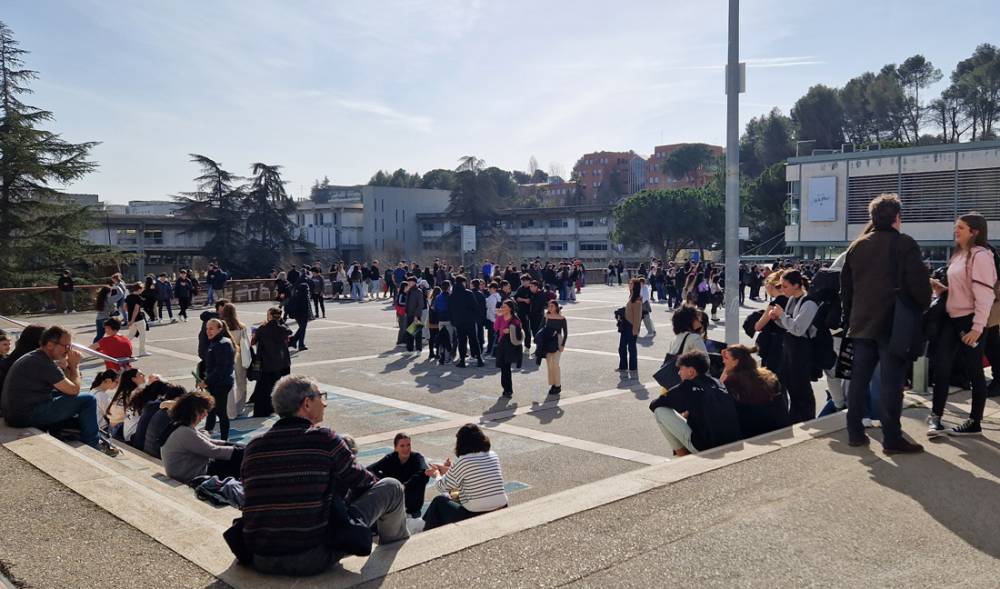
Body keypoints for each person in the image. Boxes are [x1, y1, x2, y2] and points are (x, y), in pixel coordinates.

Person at [239, 375, 408, 576]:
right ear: (307, 404)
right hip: (309, 556)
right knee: (392, 487)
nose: (325, 403)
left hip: (261, 556)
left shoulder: (254, 445)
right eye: (321, 396)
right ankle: (395, 557)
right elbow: (361, 481)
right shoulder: (324, 438)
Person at [841, 193, 931, 453]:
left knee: (859, 380)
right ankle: (892, 438)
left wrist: (851, 317)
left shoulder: (857, 246)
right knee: (892, 383)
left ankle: (855, 431)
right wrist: (919, 308)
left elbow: (846, 289)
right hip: (893, 323)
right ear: (897, 218)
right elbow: (920, 286)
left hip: (861, 322)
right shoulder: (904, 243)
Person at [927, 212, 998, 437]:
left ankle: (974, 422)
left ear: (974, 232)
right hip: (951, 318)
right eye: (956, 227)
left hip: (970, 321)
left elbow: (985, 294)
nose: (955, 230)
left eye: (961, 227)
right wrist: (943, 290)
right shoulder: (959, 255)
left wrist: (978, 328)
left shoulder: (981, 256)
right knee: (942, 369)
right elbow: (963, 290)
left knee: (974, 371)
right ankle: (936, 417)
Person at [0, 325, 106, 452]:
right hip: (25, 416)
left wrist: (67, 367)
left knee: (65, 395)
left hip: (15, 414)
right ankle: (93, 444)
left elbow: (67, 389)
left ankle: (68, 431)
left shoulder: (35, 356)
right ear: (50, 345)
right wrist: (74, 366)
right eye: (66, 346)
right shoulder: (43, 363)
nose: (68, 350)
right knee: (88, 400)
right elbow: (74, 390)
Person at [649, 350, 741, 456]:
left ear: (691, 371)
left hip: (707, 448)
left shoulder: (687, 386)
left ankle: (682, 457)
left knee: (660, 411)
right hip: (733, 443)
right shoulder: (717, 382)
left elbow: (654, 404)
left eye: (681, 369)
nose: (679, 373)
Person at [422, 423, 508, 530]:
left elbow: (441, 486)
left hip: (476, 513)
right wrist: (448, 471)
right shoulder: (493, 455)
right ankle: (425, 524)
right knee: (454, 493)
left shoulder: (463, 461)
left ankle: (426, 531)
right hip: (502, 506)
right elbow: (473, 474)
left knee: (439, 501)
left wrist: (437, 474)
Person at [767, 270, 819, 424]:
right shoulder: (792, 300)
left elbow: (798, 329)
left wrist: (782, 315)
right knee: (791, 384)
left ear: (797, 285)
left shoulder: (808, 302)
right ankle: (796, 416)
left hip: (802, 348)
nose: (782, 290)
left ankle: (806, 417)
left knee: (801, 385)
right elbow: (788, 325)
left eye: (785, 286)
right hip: (791, 346)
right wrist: (776, 318)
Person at [161, 391, 243, 483]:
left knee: (235, 456)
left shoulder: (179, 425)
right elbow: (212, 450)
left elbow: (208, 441)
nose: (206, 414)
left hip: (188, 471)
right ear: (195, 411)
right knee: (238, 461)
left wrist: (235, 445)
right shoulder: (183, 431)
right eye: (204, 411)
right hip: (190, 476)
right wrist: (240, 451)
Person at [721, 345, 789, 438]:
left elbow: (720, 399)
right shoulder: (767, 375)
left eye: (726, 358)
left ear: (736, 362)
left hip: (752, 429)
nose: (723, 361)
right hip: (777, 424)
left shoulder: (732, 381)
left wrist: (725, 372)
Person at [367, 433, 430, 518]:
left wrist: (403, 486)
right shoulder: (391, 458)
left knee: (420, 478)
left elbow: (424, 473)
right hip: (393, 506)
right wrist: (381, 481)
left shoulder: (417, 458)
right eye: (402, 446)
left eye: (408, 445)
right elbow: (370, 469)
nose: (406, 448)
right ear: (396, 448)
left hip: (411, 508)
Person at [250, 308, 292, 418]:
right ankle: (280, 408)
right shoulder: (283, 328)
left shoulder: (263, 328)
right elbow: (289, 333)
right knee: (280, 388)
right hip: (282, 362)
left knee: (264, 389)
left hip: (266, 363)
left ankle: (263, 411)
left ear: (270, 316)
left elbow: (253, 341)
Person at [0, 325, 45, 418]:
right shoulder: (30, 360)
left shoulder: (13, 358)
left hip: (9, 406)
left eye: (9, 344)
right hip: (17, 411)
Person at [201, 318, 235, 441]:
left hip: (221, 384)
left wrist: (206, 381)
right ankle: (207, 433)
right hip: (215, 382)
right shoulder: (215, 342)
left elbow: (221, 368)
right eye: (207, 328)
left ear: (220, 329)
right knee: (211, 410)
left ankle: (224, 439)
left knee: (220, 412)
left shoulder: (223, 343)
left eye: (211, 328)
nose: (208, 331)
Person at [141, 382, 187, 459]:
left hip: (149, 450)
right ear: (178, 399)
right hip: (158, 456)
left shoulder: (161, 409)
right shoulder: (172, 413)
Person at [221, 303, 252, 418]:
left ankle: (230, 410)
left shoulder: (223, 325)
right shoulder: (241, 326)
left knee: (228, 385)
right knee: (241, 382)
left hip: (226, 357)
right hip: (240, 357)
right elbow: (246, 343)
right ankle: (240, 407)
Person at [450, 276, 483, 368]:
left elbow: (451, 309)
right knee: (474, 340)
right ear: (463, 283)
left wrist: (453, 320)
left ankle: (462, 361)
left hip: (458, 322)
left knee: (462, 341)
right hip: (469, 321)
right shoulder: (468, 293)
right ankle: (479, 359)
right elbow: (475, 306)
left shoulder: (453, 295)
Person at [494, 300, 523, 397]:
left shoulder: (515, 319)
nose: (502, 308)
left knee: (506, 367)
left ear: (510, 308)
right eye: (502, 306)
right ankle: (506, 388)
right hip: (502, 344)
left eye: (505, 307)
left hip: (510, 346)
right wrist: (498, 316)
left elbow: (519, 332)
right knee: (503, 367)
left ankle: (508, 389)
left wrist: (510, 330)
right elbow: (495, 328)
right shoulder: (501, 317)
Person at [538, 300, 568, 396]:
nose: (549, 308)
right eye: (548, 306)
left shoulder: (562, 318)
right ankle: (553, 384)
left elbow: (566, 333)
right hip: (548, 340)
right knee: (549, 364)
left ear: (556, 307)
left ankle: (558, 385)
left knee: (555, 363)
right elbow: (540, 328)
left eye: (552, 306)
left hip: (558, 340)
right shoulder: (546, 316)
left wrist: (562, 345)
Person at [617, 279, 643, 379]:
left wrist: (635, 329)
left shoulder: (637, 299)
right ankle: (623, 366)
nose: (629, 284)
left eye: (631, 283)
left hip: (631, 325)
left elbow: (637, 316)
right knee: (622, 346)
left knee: (631, 348)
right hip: (626, 324)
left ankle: (633, 367)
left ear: (635, 286)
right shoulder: (632, 296)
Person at [124, 282, 148, 357]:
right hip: (139, 319)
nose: (143, 289)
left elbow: (124, 307)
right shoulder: (138, 298)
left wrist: (130, 318)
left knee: (131, 335)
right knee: (142, 335)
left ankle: (121, 346)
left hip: (131, 318)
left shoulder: (128, 297)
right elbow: (136, 310)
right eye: (142, 288)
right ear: (139, 289)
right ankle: (142, 351)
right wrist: (133, 320)